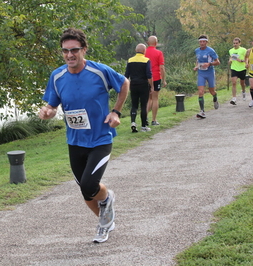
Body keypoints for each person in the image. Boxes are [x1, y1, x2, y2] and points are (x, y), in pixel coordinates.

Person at [39, 28, 129, 243]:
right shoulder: (57, 76)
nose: (70, 55)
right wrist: (47, 112)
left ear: (84, 50)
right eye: (65, 51)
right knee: (85, 191)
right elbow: (52, 105)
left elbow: (124, 83)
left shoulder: (99, 71)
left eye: (74, 50)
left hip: (100, 138)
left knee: (90, 185)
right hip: (75, 140)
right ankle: (105, 222)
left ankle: (107, 199)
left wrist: (116, 111)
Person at [125, 43, 154, 132]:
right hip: (143, 84)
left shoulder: (130, 60)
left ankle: (133, 122)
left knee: (134, 105)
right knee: (143, 105)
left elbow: (126, 75)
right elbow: (149, 75)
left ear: (135, 50)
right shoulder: (146, 60)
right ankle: (143, 126)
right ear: (144, 51)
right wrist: (152, 86)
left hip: (133, 84)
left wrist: (126, 85)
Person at [193, 34, 220, 118]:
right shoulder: (197, 50)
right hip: (201, 73)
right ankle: (202, 111)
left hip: (210, 73)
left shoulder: (211, 51)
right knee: (200, 92)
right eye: (200, 42)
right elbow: (198, 60)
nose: (202, 43)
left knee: (212, 91)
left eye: (204, 41)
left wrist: (209, 64)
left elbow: (218, 62)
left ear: (206, 42)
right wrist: (196, 66)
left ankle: (215, 98)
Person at [145, 36, 167, 126]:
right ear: (156, 43)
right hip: (156, 77)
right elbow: (161, 67)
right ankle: (154, 120)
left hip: (146, 78)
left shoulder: (144, 52)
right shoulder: (159, 53)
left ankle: (145, 118)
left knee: (148, 99)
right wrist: (164, 79)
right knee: (155, 98)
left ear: (147, 42)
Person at [228, 37, 247, 105]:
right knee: (234, 82)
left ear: (239, 43)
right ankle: (234, 98)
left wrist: (241, 60)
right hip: (234, 68)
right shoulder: (231, 50)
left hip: (242, 68)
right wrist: (230, 61)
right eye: (234, 43)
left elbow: (247, 59)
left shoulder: (243, 50)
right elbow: (231, 57)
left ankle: (243, 92)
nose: (235, 44)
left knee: (242, 83)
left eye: (236, 43)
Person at [245, 40, 253, 107]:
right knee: (252, 86)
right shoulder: (249, 51)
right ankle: (252, 100)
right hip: (251, 72)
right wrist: (247, 63)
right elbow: (246, 58)